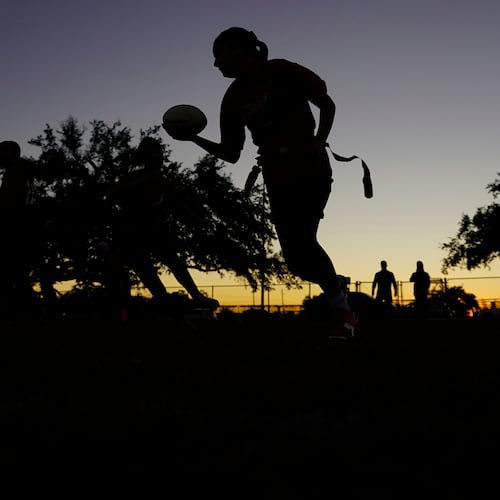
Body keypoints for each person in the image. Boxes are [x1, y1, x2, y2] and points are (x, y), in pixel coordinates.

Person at [164, 26, 356, 338]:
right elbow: (230, 153)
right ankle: (333, 283)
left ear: (239, 48)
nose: (216, 64)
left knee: (305, 242)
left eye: (219, 54)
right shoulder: (232, 98)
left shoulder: (283, 70)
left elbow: (327, 104)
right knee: (296, 261)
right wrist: (194, 137)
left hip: (310, 168)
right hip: (276, 178)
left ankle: (343, 312)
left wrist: (319, 141)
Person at [105, 137, 219, 314]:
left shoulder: (161, 180)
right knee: (150, 277)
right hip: (132, 236)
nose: (160, 161)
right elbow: (111, 193)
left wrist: (197, 219)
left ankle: (196, 296)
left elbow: (178, 203)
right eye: (156, 157)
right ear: (148, 159)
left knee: (175, 264)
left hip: (155, 232)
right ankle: (168, 310)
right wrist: (141, 183)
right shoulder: (134, 177)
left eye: (161, 157)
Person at [0, 140, 39, 318]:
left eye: (2, 152)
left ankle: (31, 313)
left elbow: (8, 202)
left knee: (12, 273)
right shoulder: (23, 171)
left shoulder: (16, 172)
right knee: (16, 275)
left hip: (15, 229)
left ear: (11, 153)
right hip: (22, 228)